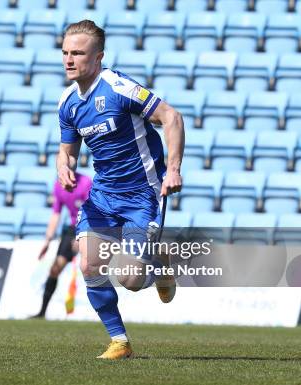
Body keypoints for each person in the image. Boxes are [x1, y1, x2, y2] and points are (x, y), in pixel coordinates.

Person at [56, 20, 184, 359]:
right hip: (103, 196)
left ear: (98, 57)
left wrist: (173, 170)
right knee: (88, 265)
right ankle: (120, 341)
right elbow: (67, 150)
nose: (70, 59)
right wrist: (63, 167)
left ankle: (160, 261)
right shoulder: (68, 103)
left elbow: (171, 117)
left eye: (78, 53)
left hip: (143, 194)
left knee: (129, 279)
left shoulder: (118, 88)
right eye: (66, 52)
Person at [32, 172, 92, 319]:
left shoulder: (85, 182)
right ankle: (42, 312)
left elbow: (90, 212)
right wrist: (47, 241)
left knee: (94, 272)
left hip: (91, 228)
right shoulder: (59, 186)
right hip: (72, 229)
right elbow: (56, 214)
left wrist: (81, 236)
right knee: (55, 269)